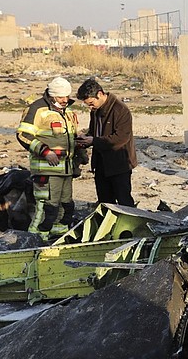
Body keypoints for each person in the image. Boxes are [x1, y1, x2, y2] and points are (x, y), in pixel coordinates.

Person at [16, 77, 81, 240]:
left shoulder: (68, 111)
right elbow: (23, 135)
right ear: (52, 95)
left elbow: (69, 137)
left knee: (66, 206)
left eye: (67, 96)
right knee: (47, 207)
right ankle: (36, 238)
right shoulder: (37, 109)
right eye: (61, 97)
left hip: (66, 169)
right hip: (46, 169)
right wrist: (46, 152)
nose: (65, 100)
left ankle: (58, 234)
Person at [75, 78, 137, 206]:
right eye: (88, 105)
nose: (90, 107)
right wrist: (85, 140)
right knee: (104, 201)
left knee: (124, 201)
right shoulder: (95, 111)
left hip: (120, 164)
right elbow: (93, 132)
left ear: (100, 94)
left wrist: (94, 140)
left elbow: (121, 138)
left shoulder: (121, 110)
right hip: (101, 163)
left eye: (91, 103)